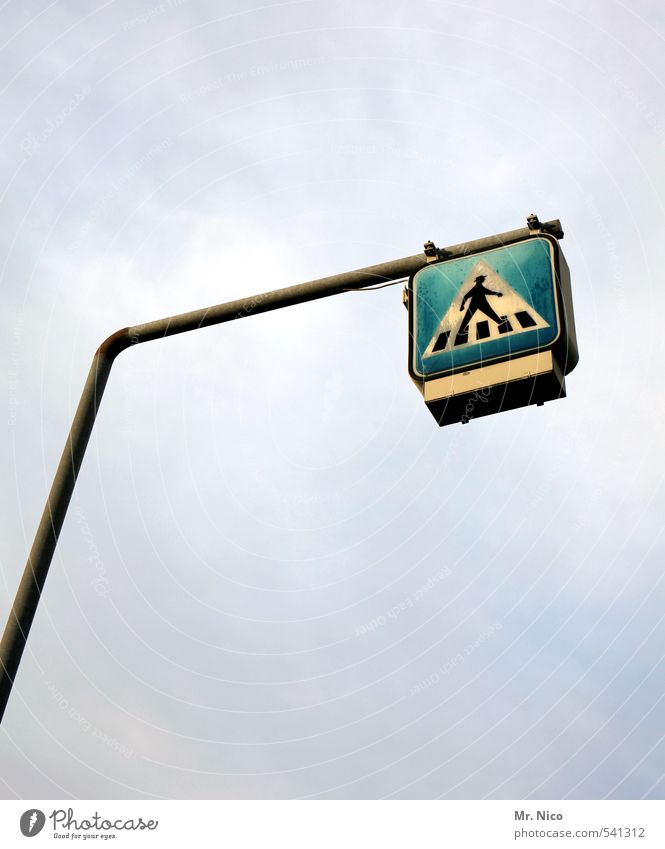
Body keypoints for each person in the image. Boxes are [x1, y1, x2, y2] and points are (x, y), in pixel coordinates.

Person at [455, 274, 504, 344]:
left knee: (488, 312)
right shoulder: (478, 287)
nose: (484, 280)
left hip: (479, 304)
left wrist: (462, 306)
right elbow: (466, 296)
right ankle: (460, 331)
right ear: (480, 280)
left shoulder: (479, 287)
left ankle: (499, 321)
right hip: (478, 304)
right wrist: (462, 306)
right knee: (469, 317)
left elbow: (488, 292)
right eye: (483, 279)